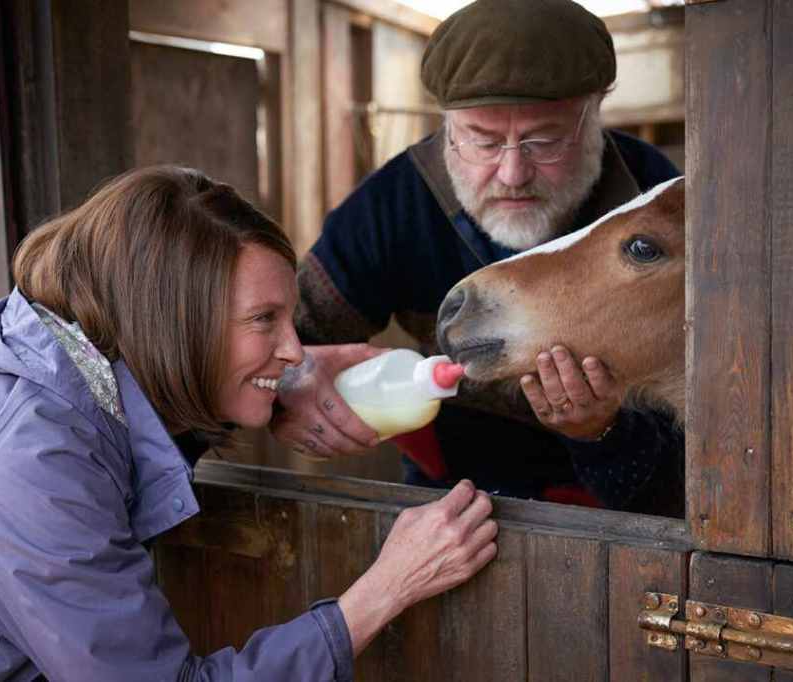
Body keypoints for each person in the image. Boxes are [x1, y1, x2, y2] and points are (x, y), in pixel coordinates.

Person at [0, 166, 498, 681]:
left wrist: (272, 380)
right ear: (174, 325)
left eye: (289, 319)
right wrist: (381, 593)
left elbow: (136, 418)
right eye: (265, 320)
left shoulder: (64, 376)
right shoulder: (27, 457)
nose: (295, 347)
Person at [272, 0, 685, 516]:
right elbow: (287, 335)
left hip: (617, 516)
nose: (513, 173)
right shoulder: (395, 203)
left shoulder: (658, 203)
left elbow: (691, 457)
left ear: (595, 114)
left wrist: (601, 432)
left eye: (544, 140)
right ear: (446, 126)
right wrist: (291, 376)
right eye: (483, 141)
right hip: (449, 503)